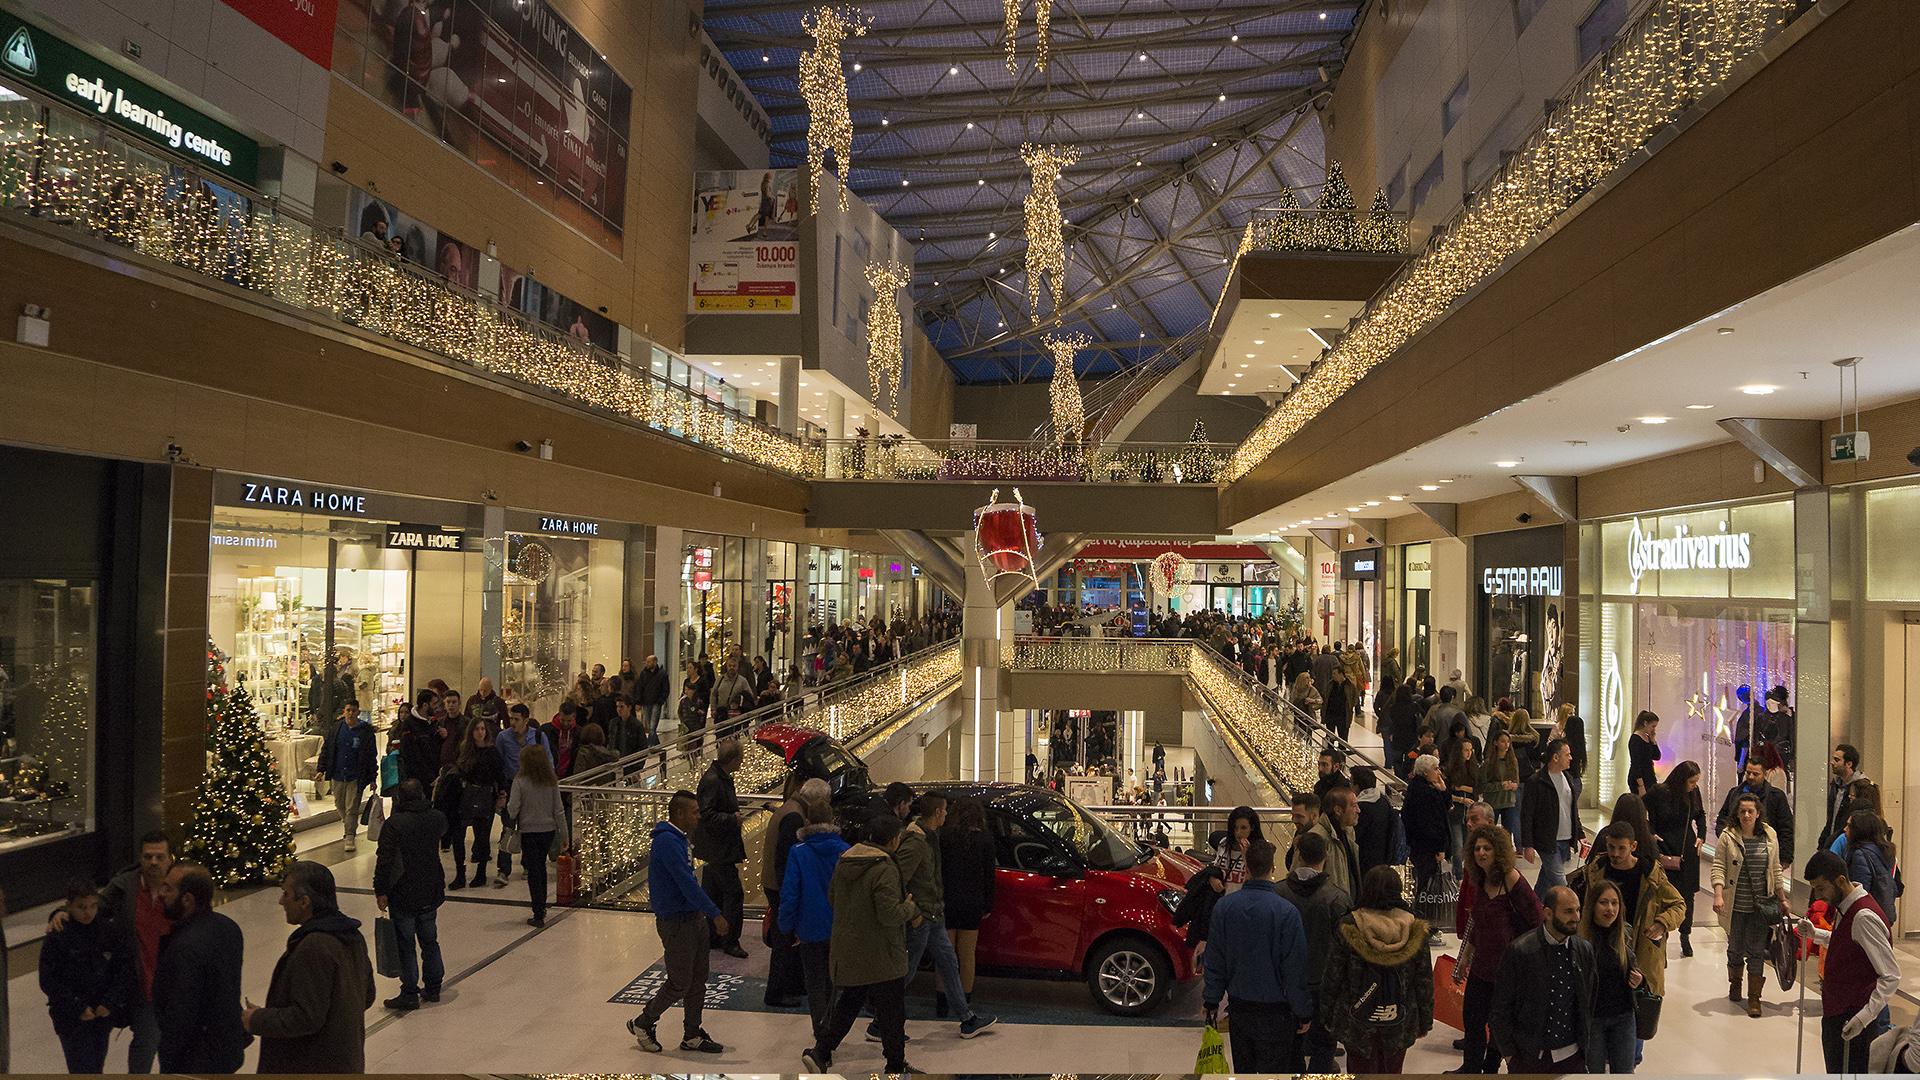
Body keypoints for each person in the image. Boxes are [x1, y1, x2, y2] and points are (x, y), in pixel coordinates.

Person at [802, 813, 922, 1075]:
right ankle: (894, 1065)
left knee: (849, 1002)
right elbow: (889, 914)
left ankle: (821, 1051)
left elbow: (833, 898)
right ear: (893, 840)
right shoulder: (885, 867)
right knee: (891, 1011)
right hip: (882, 953)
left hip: (850, 948)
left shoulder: (846, 861)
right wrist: (910, 909)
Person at [59, 829, 175, 1072]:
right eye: (147, 856)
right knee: (130, 1043)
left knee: (151, 1042)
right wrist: (61, 913)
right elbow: (93, 908)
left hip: (162, 986)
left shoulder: (178, 888)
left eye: (159, 857)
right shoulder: (125, 886)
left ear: (170, 858)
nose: (153, 862)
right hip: (129, 981)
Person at [245, 861, 376, 1073]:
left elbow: (306, 1018)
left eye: (286, 894)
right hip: (345, 1060)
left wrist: (258, 1020)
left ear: (305, 902)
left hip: (313, 1065)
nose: (281, 901)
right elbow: (367, 995)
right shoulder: (351, 935)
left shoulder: (314, 946)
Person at [628, 790, 726, 1054]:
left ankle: (692, 1034)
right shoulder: (667, 842)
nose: (699, 816)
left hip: (693, 918)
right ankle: (643, 1022)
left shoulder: (680, 839)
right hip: (676, 922)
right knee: (680, 982)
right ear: (680, 813)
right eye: (694, 812)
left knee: (697, 980)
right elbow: (686, 883)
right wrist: (715, 913)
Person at [892, 791, 997, 1037]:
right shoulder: (921, 840)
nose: (947, 814)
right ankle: (881, 1018)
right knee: (954, 958)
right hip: (944, 910)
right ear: (938, 812)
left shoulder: (939, 837)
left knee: (948, 960)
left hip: (941, 907)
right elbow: (899, 880)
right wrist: (988, 904)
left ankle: (955, 1011)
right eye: (944, 810)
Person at [1202, 839, 1312, 1072]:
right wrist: (1303, 1011)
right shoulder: (1287, 912)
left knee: (1244, 1071)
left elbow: (1215, 959)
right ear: (1273, 868)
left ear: (1246, 867)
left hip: (1240, 1009)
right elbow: (1294, 969)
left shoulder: (1224, 908)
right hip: (1276, 1013)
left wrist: (1211, 999)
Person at [1568, 820, 1684, 1043]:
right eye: (1611, 847)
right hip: (1602, 954)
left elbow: (1679, 905)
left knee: (1637, 1022)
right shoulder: (1597, 870)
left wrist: (1661, 922)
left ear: (1633, 846)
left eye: (1621, 848)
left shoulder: (1650, 874)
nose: (1615, 853)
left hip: (1641, 955)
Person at [1319, 864, 1434, 1073]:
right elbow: (1423, 980)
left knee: (1359, 1071)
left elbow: (1333, 975)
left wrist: (1327, 1016)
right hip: (1399, 1020)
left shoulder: (1350, 925)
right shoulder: (1414, 927)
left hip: (1356, 1022)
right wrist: (1424, 1021)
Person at [1799, 849, 1900, 1072]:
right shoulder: (1846, 905)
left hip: (1852, 1018)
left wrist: (1863, 1018)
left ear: (1841, 880)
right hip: (1840, 1012)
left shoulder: (1863, 916)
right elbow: (1849, 944)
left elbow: (1891, 975)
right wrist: (1816, 934)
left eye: (1821, 888)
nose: (1817, 896)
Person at [1454, 823, 1542, 1073]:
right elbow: (1478, 924)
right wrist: (1465, 958)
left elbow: (1538, 921)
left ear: (1498, 851)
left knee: (1499, 1027)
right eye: (1478, 848)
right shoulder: (1478, 879)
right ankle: (1470, 1069)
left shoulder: (1512, 879)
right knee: (1472, 1022)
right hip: (1481, 968)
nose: (1481, 853)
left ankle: (1490, 1070)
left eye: (1487, 848)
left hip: (1508, 973)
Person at [150, 864, 248, 1072]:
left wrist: (169, 1056)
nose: (161, 894)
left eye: (168, 889)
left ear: (187, 899)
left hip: (195, 1058)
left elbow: (182, 1010)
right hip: (226, 1047)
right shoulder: (229, 927)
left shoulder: (186, 946)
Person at [1489, 885, 1595, 1073]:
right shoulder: (1520, 951)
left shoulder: (1584, 950)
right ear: (1548, 913)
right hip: (1528, 1059)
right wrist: (1510, 1055)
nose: (1576, 918)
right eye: (1569, 911)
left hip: (1573, 1058)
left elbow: (1589, 1000)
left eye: (1578, 910)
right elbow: (1501, 1008)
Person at [40, 878, 135, 1073]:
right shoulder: (58, 936)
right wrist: (77, 1007)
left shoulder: (108, 931)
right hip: (71, 1018)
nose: (88, 912)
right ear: (69, 906)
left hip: (101, 1015)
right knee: (80, 1067)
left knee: (96, 1065)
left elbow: (123, 969)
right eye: (81, 907)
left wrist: (109, 1002)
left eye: (93, 906)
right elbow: (48, 979)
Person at [1277, 831, 1352, 1073]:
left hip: (1286, 984)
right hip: (1325, 985)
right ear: (1327, 856)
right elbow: (1345, 949)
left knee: (1291, 1044)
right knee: (1324, 1042)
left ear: (1298, 856)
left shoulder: (1278, 894)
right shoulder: (1338, 898)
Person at [372, 779, 447, 1008]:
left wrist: (381, 890)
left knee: (406, 944)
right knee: (430, 941)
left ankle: (409, 993)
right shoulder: (437, 818)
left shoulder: (395, 824)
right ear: (422, 795)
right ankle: (433, 988)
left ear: (400, 799)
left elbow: (384, 861)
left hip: (403, 892)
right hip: (430, 888)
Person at [780, 799, 849, 1046]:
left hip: (808, 927)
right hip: (839, 927)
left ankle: (820, 1033)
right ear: (832, 822)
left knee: (815, 984)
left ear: (807, 822)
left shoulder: (798, 852)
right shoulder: (846, 851)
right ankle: (831, 1029)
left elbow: (790, 893)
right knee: (833, 982)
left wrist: (786, 926)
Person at [1712, 791, 1785, 1017]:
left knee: (1755, 951)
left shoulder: (1769, 835)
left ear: (1758, 813)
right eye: (1742, 811)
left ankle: (1754, 999)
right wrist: (1718, 894)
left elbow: (1775, 869)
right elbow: (1719, 866)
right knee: (1735, 949)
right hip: (1735, 905)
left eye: (1750, 811)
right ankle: (1735, 984)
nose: (1746, 815)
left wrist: (1782, 898)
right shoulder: (1728, 836)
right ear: (1737, 813)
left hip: (1760, 907)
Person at [762, 776, 829, 1007]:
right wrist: (789, 894)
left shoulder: (791, 809)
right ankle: (776, 993)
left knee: (786, 941)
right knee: (783, 942)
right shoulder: (794, 816)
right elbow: (785, 860)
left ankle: (789, 987)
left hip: (775, 884)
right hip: (779, 886)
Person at [1578, 879, 1644, 1073]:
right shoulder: (1580, 938)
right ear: (1592, 905)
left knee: (1624, 1072)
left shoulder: (1625, 933)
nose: (1610, 909)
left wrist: (1640, 979)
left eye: (1614, 903)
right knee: (1594, 1072)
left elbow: (1635, 968)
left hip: (1623, 1017)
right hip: (1593, 1019)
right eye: (1603, 902)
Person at [1645, 760, 1707, 957]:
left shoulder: (1693, 793)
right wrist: (1651, 833)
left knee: (1687, 894)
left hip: (1686, 848)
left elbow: (1701, 815)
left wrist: (1701, 836)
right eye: (1691, 782)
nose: (1694, 786)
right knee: (1661, 892)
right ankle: (1660, 934)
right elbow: (1641, 810)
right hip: (1663, 846)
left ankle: (1685, 935)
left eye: (1696, 782)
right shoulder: (1658, 792)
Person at [941, 795, 997, 1009]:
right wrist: (988, 904)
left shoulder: (944, 836)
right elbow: (989, 876)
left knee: (945, 956)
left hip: (947, 901)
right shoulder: (985, 839)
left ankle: (942, 1000)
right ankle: (965, 1001)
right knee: (967, 956)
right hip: (972, 902)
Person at [695, 737, 749, 957]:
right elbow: (706, 814)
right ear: (733, 759)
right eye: (741, 759)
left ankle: (714, 936)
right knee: (733, 894)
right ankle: (730, 940)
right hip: (718, 849)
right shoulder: (714, 780)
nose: (742, 763)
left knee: (713, 893)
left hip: (716, 849)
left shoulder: (719, 777)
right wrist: (731, 819)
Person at [507, 744, 566, 928]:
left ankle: (538, 911)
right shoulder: (551, 781)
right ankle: (541, 906)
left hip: (528, 831)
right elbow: (559, 810)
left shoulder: (520, 781)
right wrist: (564, 834)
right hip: (548, 831)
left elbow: (512, 809)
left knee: (534, 870)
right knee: (541, 867)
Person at [494, 704, 552, 886]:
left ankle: (528, 865)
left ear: (526, 720)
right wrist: (501, 793)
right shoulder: (503, 738)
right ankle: (503, 869)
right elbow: (499, 765)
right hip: (511, 786)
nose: (512, 723)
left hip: (532, 787)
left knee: (529, 828)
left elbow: (548, 761)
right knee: (508, 827)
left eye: (516, 719)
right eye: (511, 718)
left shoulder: (538, 736)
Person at [1519, 737, 1583, 898]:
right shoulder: (1536, 782)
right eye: (1567, 755)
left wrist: (1580, 834)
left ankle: (1534, 906)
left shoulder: (1568, 778)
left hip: (1565, 838)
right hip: (1547, 841)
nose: (1571, 758)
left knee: (1545, 881)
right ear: (1556, 757)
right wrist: (1527, 845)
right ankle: (1572, 911)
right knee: (1561, 883)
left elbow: (1572, 810)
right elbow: (1527, 815)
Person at [448, 718, 506, 889]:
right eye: (477, 729)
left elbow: (499, 775)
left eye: (482, 729)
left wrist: (501, 795)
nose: (480, 732)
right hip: (466, 795)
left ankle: (481, 873)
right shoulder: (464, 749)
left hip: (485, 796)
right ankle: (460, 873)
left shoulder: (491, 752)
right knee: (458, 836)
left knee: (482, 837)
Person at [1402, 753, 1453, 946]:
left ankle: (1425, 926)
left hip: (1422, 847)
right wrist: (1440, 848)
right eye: (1436, 769)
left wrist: (1443, 790)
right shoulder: (1424, 792)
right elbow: (1433, 823)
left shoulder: (1422, 788)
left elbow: (1447, 807)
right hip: (1427, 849)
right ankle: (1425, 927)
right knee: (1426, 890)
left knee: (1425, 888)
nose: (1439, 772)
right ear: (1425, 771)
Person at [316, 699, 378, 852]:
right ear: (343, 711)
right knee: (339, 804)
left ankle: (349, 835)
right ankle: (348, 823)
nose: (351, 713)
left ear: (358, 712)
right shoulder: (337, 728)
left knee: (352, 807)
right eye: (348, 710)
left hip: (356, 775)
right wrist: (321, 769)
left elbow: (371, 755)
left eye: (354, 710)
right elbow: (327, 750)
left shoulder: (365, 731)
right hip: (338, 773)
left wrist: (372, 777)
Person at [1714, 756, 1795, 873]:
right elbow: (1723, 816)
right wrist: (1725, 836)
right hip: (1735, 853)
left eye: (1755, 774)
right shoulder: (1734, 793)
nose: (1751, 777)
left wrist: (1786, 856)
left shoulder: (1776, 797)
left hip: (1764, 854)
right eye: (1748, 773)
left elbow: (1786, 827)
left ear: (1765, 774)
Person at [1843, 810, 1900, 921]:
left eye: (1849, 826)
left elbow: (1860, 892)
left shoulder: (1860, 854)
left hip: (1868, 916)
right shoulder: (1881, 851)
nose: (1845, 829)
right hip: (1883, 912)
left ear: (1859, 830)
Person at [1311, 786, 1362, 903]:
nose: (1358, 810)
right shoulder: (1318, 838)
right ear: (1338, 810)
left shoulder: (1348, 834)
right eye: (1353, 806)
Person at [1820, 743, 1868, 852]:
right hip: (1833, 843)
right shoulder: (1836, 785)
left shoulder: (1861, 787)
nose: (1832, 763)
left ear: (1849, 764)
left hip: (1848, 845)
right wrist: (1822, 843)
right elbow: (1831, 819)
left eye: (1837, 760)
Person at [1352, 767, 1397, 877]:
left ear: (1357, 787)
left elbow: (1356, 835)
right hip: (1382, 857)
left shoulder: (1361, 807)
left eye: (1351, 782)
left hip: (1365, 860)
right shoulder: (1383, 801)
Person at [1210, 805, 1264, 895]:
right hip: (1223, 898)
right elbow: (1216, 867)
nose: (1238, 832)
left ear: (1252, 828)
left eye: (1243, 828)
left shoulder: (1260, 850)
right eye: (1235, 828)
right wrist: (1212, 879)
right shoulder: (1224, 844)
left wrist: (1248, 856)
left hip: (1245, 900)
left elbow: (1258, 881)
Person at [1479, 727, 1522, 839]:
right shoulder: (1489, 763)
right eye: (1503, 741)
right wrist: (1500, 785)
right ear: (1496, 743)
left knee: (1507, 835)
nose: (1506, 744)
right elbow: (1484, 786)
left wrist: (1513, 786)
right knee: (1490, 834)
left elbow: (1517, 781)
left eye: (1508, 742)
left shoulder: (1513, 761)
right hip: (1493, 803)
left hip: (1509, 802)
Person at [1325, 664, 1355, 742]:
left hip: (1343, 716)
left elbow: (1354, 700)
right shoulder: (1330, 685)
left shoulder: (1349, 686)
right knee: (1330, 738)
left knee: (1343, 739)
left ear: (1341, 674)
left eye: (1334, 674)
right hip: (1330, 715)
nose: (1333, 676)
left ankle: (1342, 753)